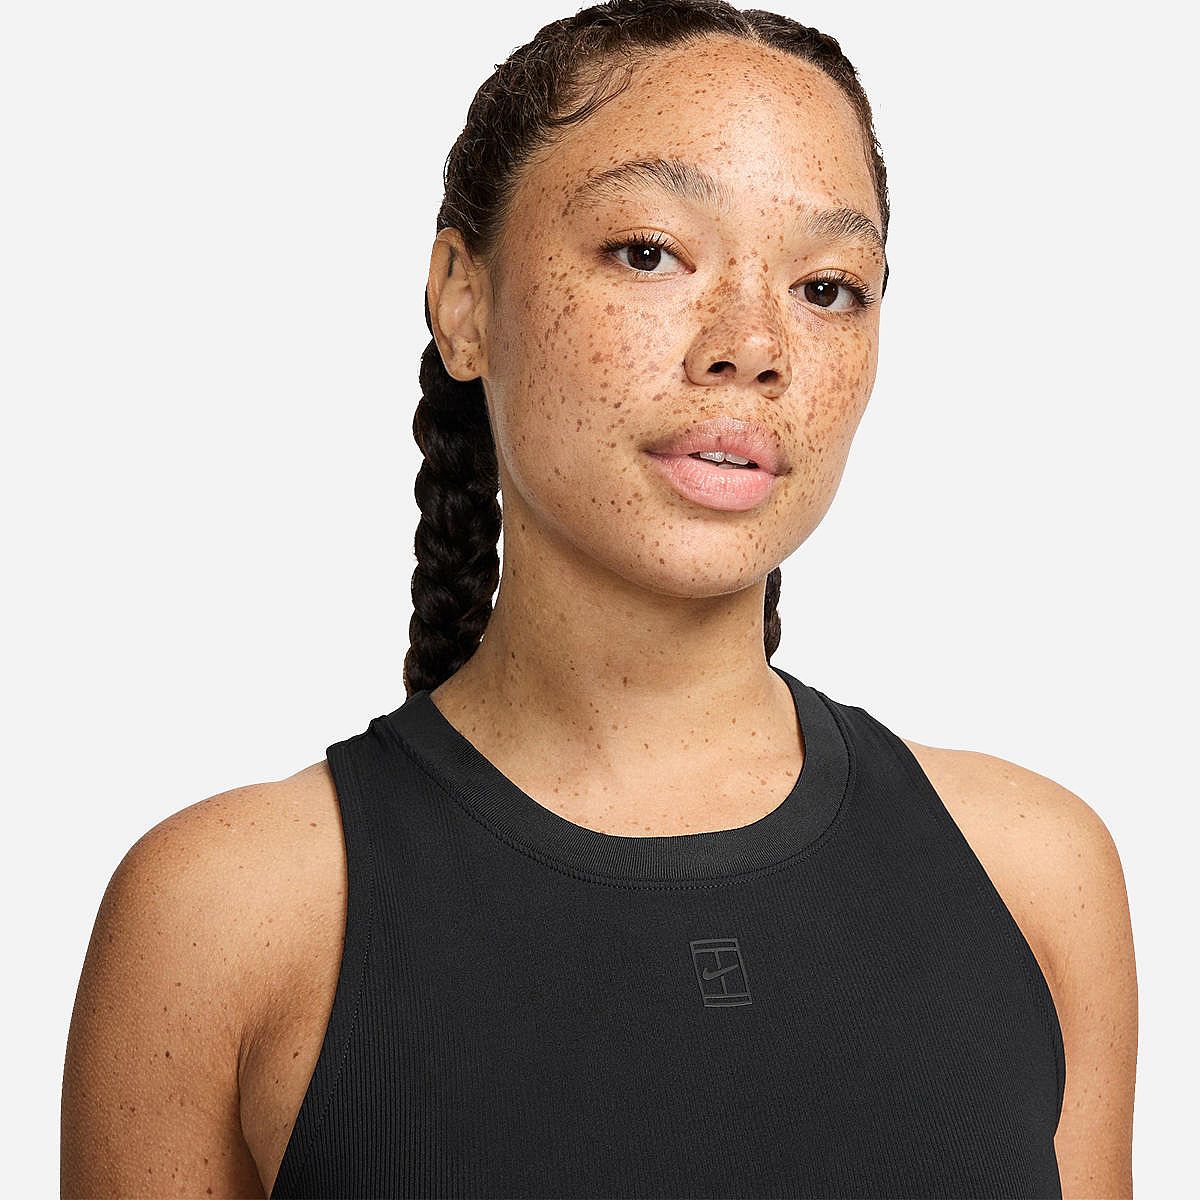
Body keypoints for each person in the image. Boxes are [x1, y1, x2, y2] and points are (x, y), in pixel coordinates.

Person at [60, 2, 1137, 1197]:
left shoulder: (1033, 876)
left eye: (828, 286)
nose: (751, 344)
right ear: (463, 301)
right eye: (648, 253)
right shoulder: (227, 917)